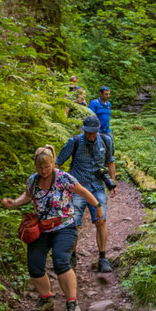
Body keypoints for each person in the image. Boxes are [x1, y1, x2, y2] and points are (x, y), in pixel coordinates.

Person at [1, 145, 103, 311]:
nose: (44, 170)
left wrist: (97, 206)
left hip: (64, 226)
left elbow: (83, 191)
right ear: (35, 166)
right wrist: (14, 203)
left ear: (52, 163)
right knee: (34, 263)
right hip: (42, 228)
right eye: (40, 167)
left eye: (47, 166)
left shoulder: (63, 178)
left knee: (61, 260)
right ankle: (46, 299)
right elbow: (27, 195)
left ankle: (72, 303)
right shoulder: (32, 180)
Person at [56, 115, 116, 273]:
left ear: (97, 130)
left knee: (101, 221)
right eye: (87, 132)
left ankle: (103, 258)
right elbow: (57, 163)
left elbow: (110, 161)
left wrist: (112, 183)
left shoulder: (106, 141)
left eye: (92, 133)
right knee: (74, 223)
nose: (90, 135)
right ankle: (72, 255)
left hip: (97, 187)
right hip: (77, 188)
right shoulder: (74, 142)